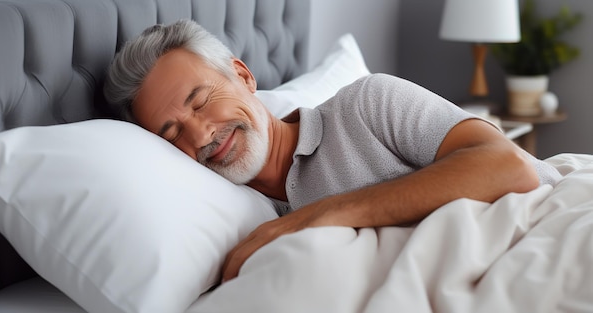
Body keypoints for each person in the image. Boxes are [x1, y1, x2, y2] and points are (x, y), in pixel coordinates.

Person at [104, 20, 561, 283]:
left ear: (243, 76)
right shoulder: (231, 222)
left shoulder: (367, 103)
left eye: (202, 101)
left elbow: (508, 167)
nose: (201, 134)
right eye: (172, 134)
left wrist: (318, 216)